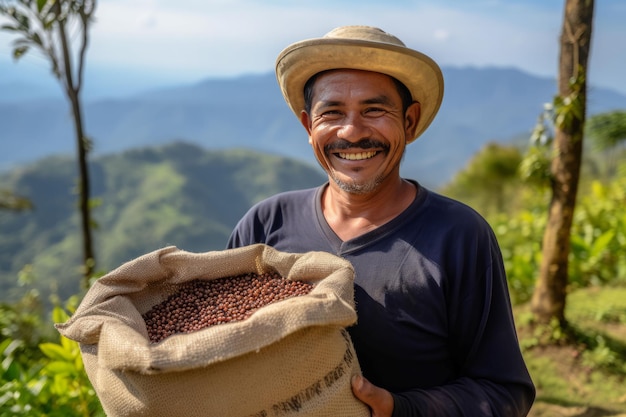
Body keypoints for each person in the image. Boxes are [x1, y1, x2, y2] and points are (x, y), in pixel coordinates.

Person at [227, 25, 535, 416]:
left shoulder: (459, 236)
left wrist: (400, 408)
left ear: (409, 122)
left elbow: (504, 392)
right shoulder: (265, 225)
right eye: (332, 112)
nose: (352, 132)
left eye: (374, 110)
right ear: (309, 127)